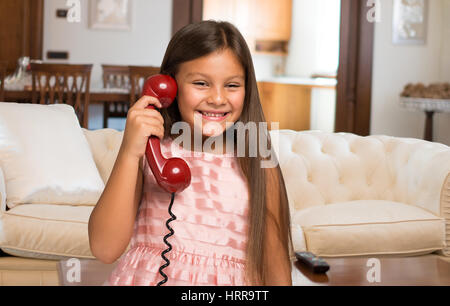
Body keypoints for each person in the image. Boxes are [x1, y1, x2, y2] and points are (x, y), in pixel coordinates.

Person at [88, 20, 293, 286]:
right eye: (201, 83)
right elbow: (105, 248)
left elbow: (276, 269)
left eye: (232, 85)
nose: (218, 98)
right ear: (168, 86)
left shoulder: (257, 160)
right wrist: (129, 152)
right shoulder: (151, 152)